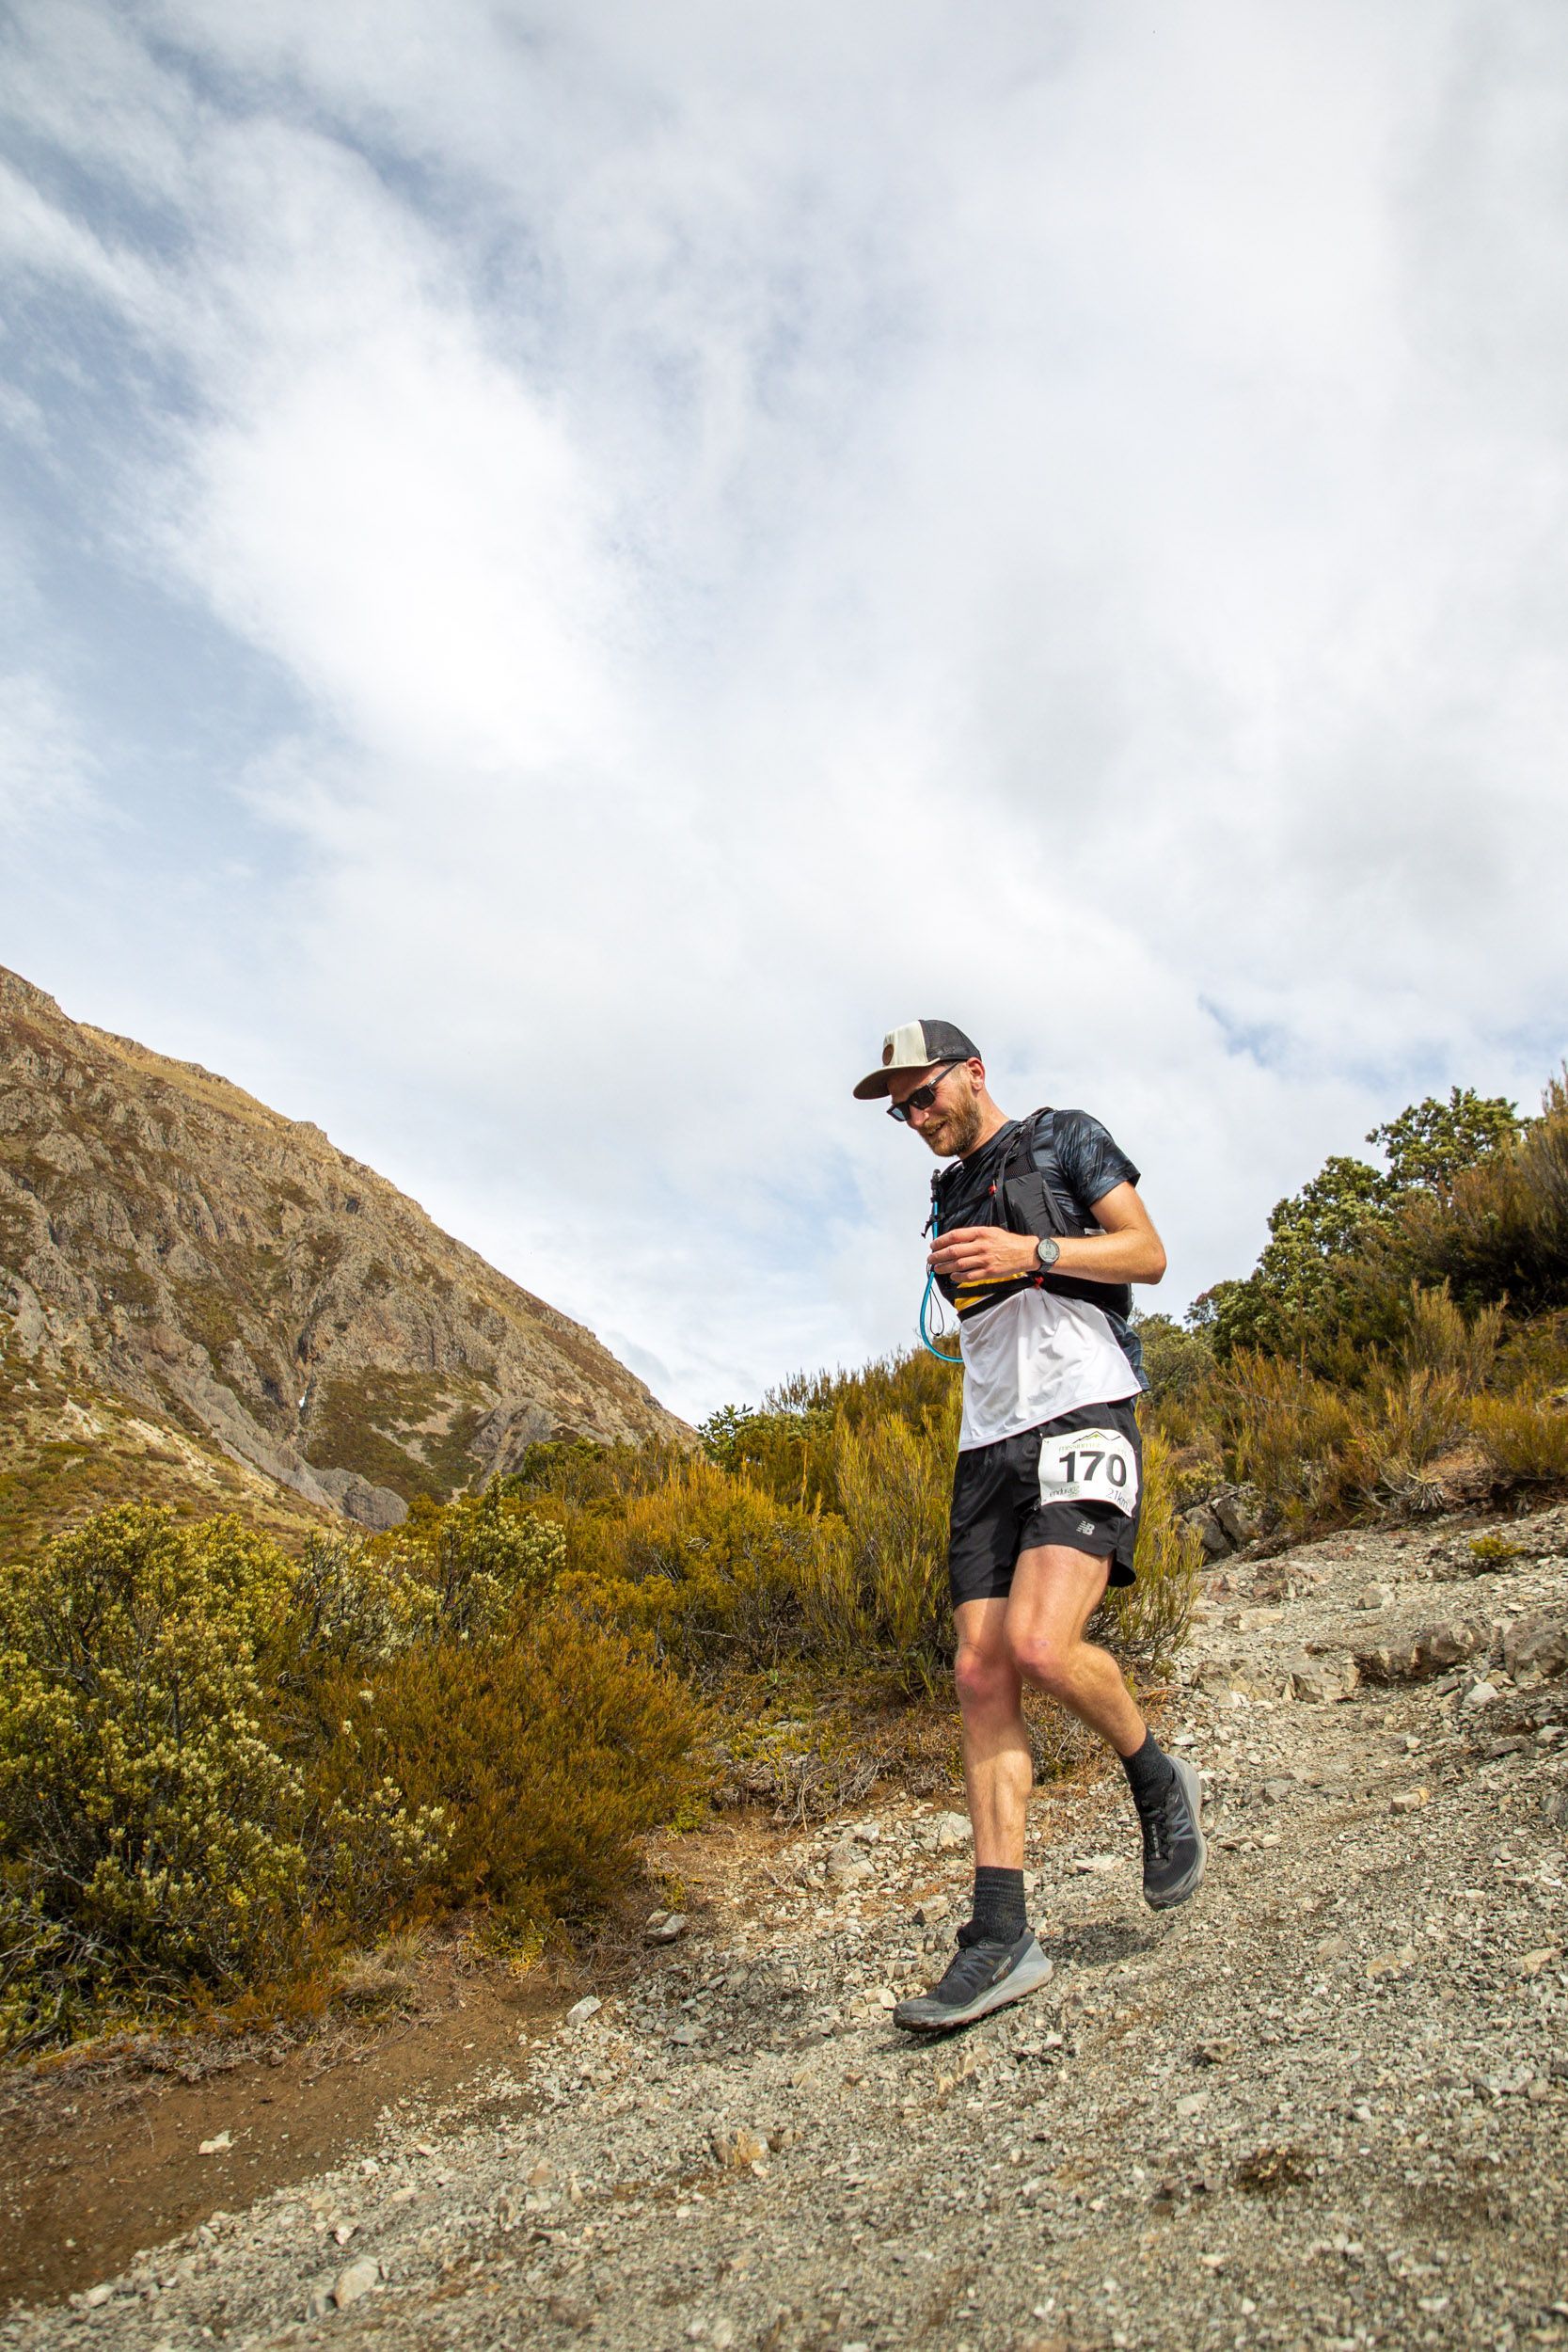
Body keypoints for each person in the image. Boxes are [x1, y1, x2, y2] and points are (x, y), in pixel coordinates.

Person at [851, 1020, 1204, 2032]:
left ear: (971, 1073)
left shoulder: (1062, 1138)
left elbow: (1146, 1253)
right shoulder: (946, 1188)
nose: (915, 1117)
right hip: (985, 1440)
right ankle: (999, 1935)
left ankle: (1152, 1772)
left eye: (924, 1095)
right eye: (899, 1109)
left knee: (1043, 1648)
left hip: (1082, 1406)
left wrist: (1030, 1248)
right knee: (977, 1672)